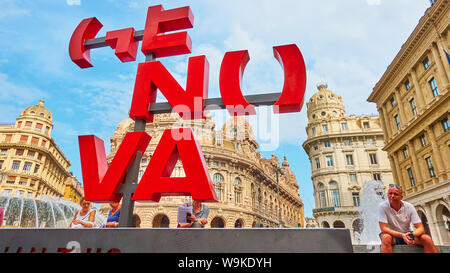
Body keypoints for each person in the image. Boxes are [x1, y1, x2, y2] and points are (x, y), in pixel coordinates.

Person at [378, 184, 438, 253]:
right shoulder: (382, 206)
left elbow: (421, 228)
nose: (392, 196)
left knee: (427, 238)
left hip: (408, 234)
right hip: (392, 236)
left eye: (396, 194)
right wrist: (401, 235)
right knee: (385, 238)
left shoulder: (409, 206)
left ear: (401, 197)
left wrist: (411, 235)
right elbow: (384, 229)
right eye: (390, 193)